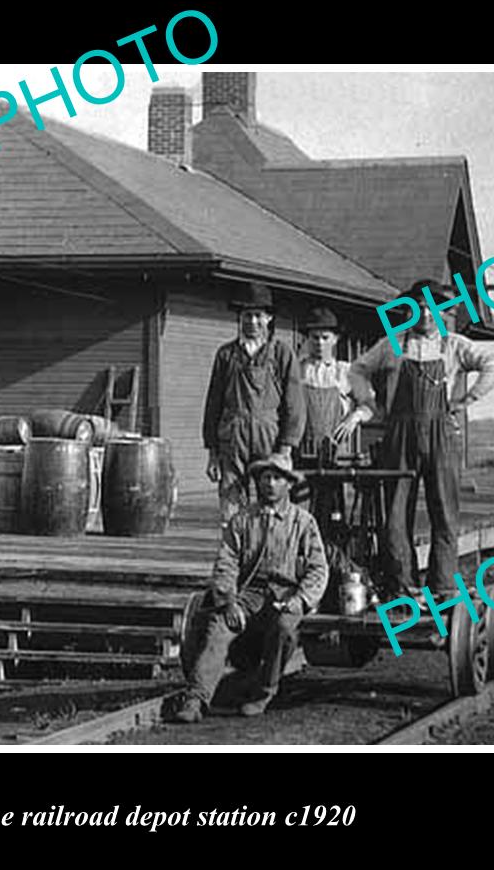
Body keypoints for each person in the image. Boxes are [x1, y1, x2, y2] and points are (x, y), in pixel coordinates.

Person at [333, 278, 494, 598]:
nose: (425, 315)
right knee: (396, 514)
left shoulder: (454, 344)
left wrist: (467, 400)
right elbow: (357, 370)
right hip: (399, 435)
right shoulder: (393, 343)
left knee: (444, 511)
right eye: (420, 308)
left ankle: (442, 586)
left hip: (442, 434)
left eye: (433, 309)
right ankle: (402, 586)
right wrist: (370, 403)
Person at [175, 453, 329, 723]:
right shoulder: (242, 521)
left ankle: (262, 694)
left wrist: (301, 600)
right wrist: (228, 601)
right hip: (248, 595)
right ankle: (195, 699)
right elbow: (226, 562)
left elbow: (318, 569)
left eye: (277, 478)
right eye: (265, 477)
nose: (270, 483)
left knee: (284, 630)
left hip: (286, 595)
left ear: (288, 484)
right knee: (219, 627)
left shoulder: (303, 523)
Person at [203, 283, 305, 523]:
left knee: (271, 503)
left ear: (269, 318)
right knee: (230, 505)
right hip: (232, 436)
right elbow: (213, 404)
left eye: (258, 316)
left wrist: (286, 449)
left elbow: (294, 403)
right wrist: (212, 452)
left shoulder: (281, 354)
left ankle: (269, 555)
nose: (252, 321)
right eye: (247, 315)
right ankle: (234, 556)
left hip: (269, 435)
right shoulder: (226, 354)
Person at [298, 306, 352, 458]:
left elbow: (368, 402)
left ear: (335, 339)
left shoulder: (344, 371)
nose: (320, 343)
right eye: (315, 337)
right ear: (307, 339)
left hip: (336, 450)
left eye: (325, 338)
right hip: (303, 450)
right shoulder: (296, 370)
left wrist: (352, 420)